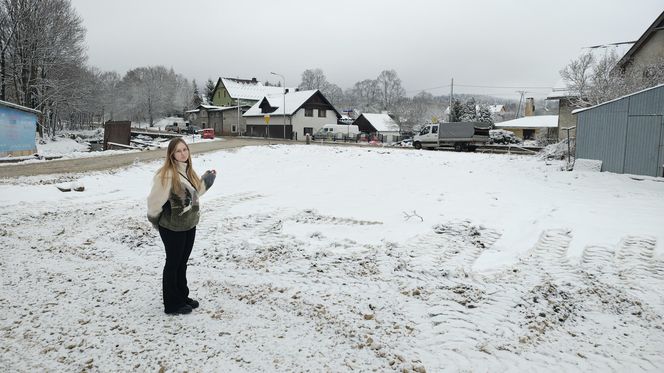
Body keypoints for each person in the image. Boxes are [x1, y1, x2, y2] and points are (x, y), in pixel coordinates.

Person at [147, 138, 216, 315]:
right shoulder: (167, 175)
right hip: (172, 227)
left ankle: (182, 297)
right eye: (178, 151)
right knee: (173, 264)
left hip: (189, 224)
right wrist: (156, 221)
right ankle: (172, 304)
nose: (183, 153)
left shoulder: (187, 171)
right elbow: (154, 203)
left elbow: (194, 194)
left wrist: (207, 180)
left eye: (185, 149)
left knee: (182, 263)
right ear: (171, 154)